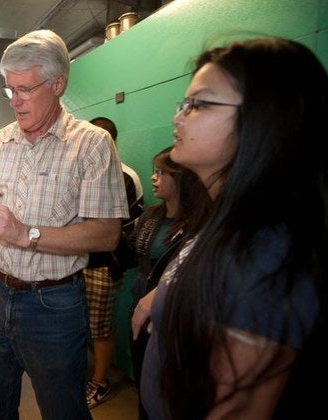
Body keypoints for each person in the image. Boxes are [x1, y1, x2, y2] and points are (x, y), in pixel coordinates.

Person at [0, 29, 128, 419]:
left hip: (55, 303)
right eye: (8, 90)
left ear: (58, 83)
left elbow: (106, 233)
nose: (15, 101)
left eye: (25, 89)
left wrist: (24, 233)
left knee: (62, 410)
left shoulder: (92, 144)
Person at [139, 38, 327, 419]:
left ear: (266, 117)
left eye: (199, 104)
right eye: (184, 104)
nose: (178, 117)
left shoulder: (266, 249)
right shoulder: (226, 217)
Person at [128, 146, 209, 419]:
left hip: (173, 314)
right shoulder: (150, 216)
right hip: (139, 306)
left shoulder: (201, 223)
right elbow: (129, 253)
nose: (154, 178)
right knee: (144, 381)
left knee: (169, 390)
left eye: (161, 173)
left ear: (182, 179)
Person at [83, 116, 143, 409]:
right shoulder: (83, 171)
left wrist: (115, 265)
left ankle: (101, 382)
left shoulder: (124, 176)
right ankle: (89, 374)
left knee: (99, 327)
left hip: (104, 265)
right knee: (82, 324)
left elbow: (127, 229)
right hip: (76, 263)